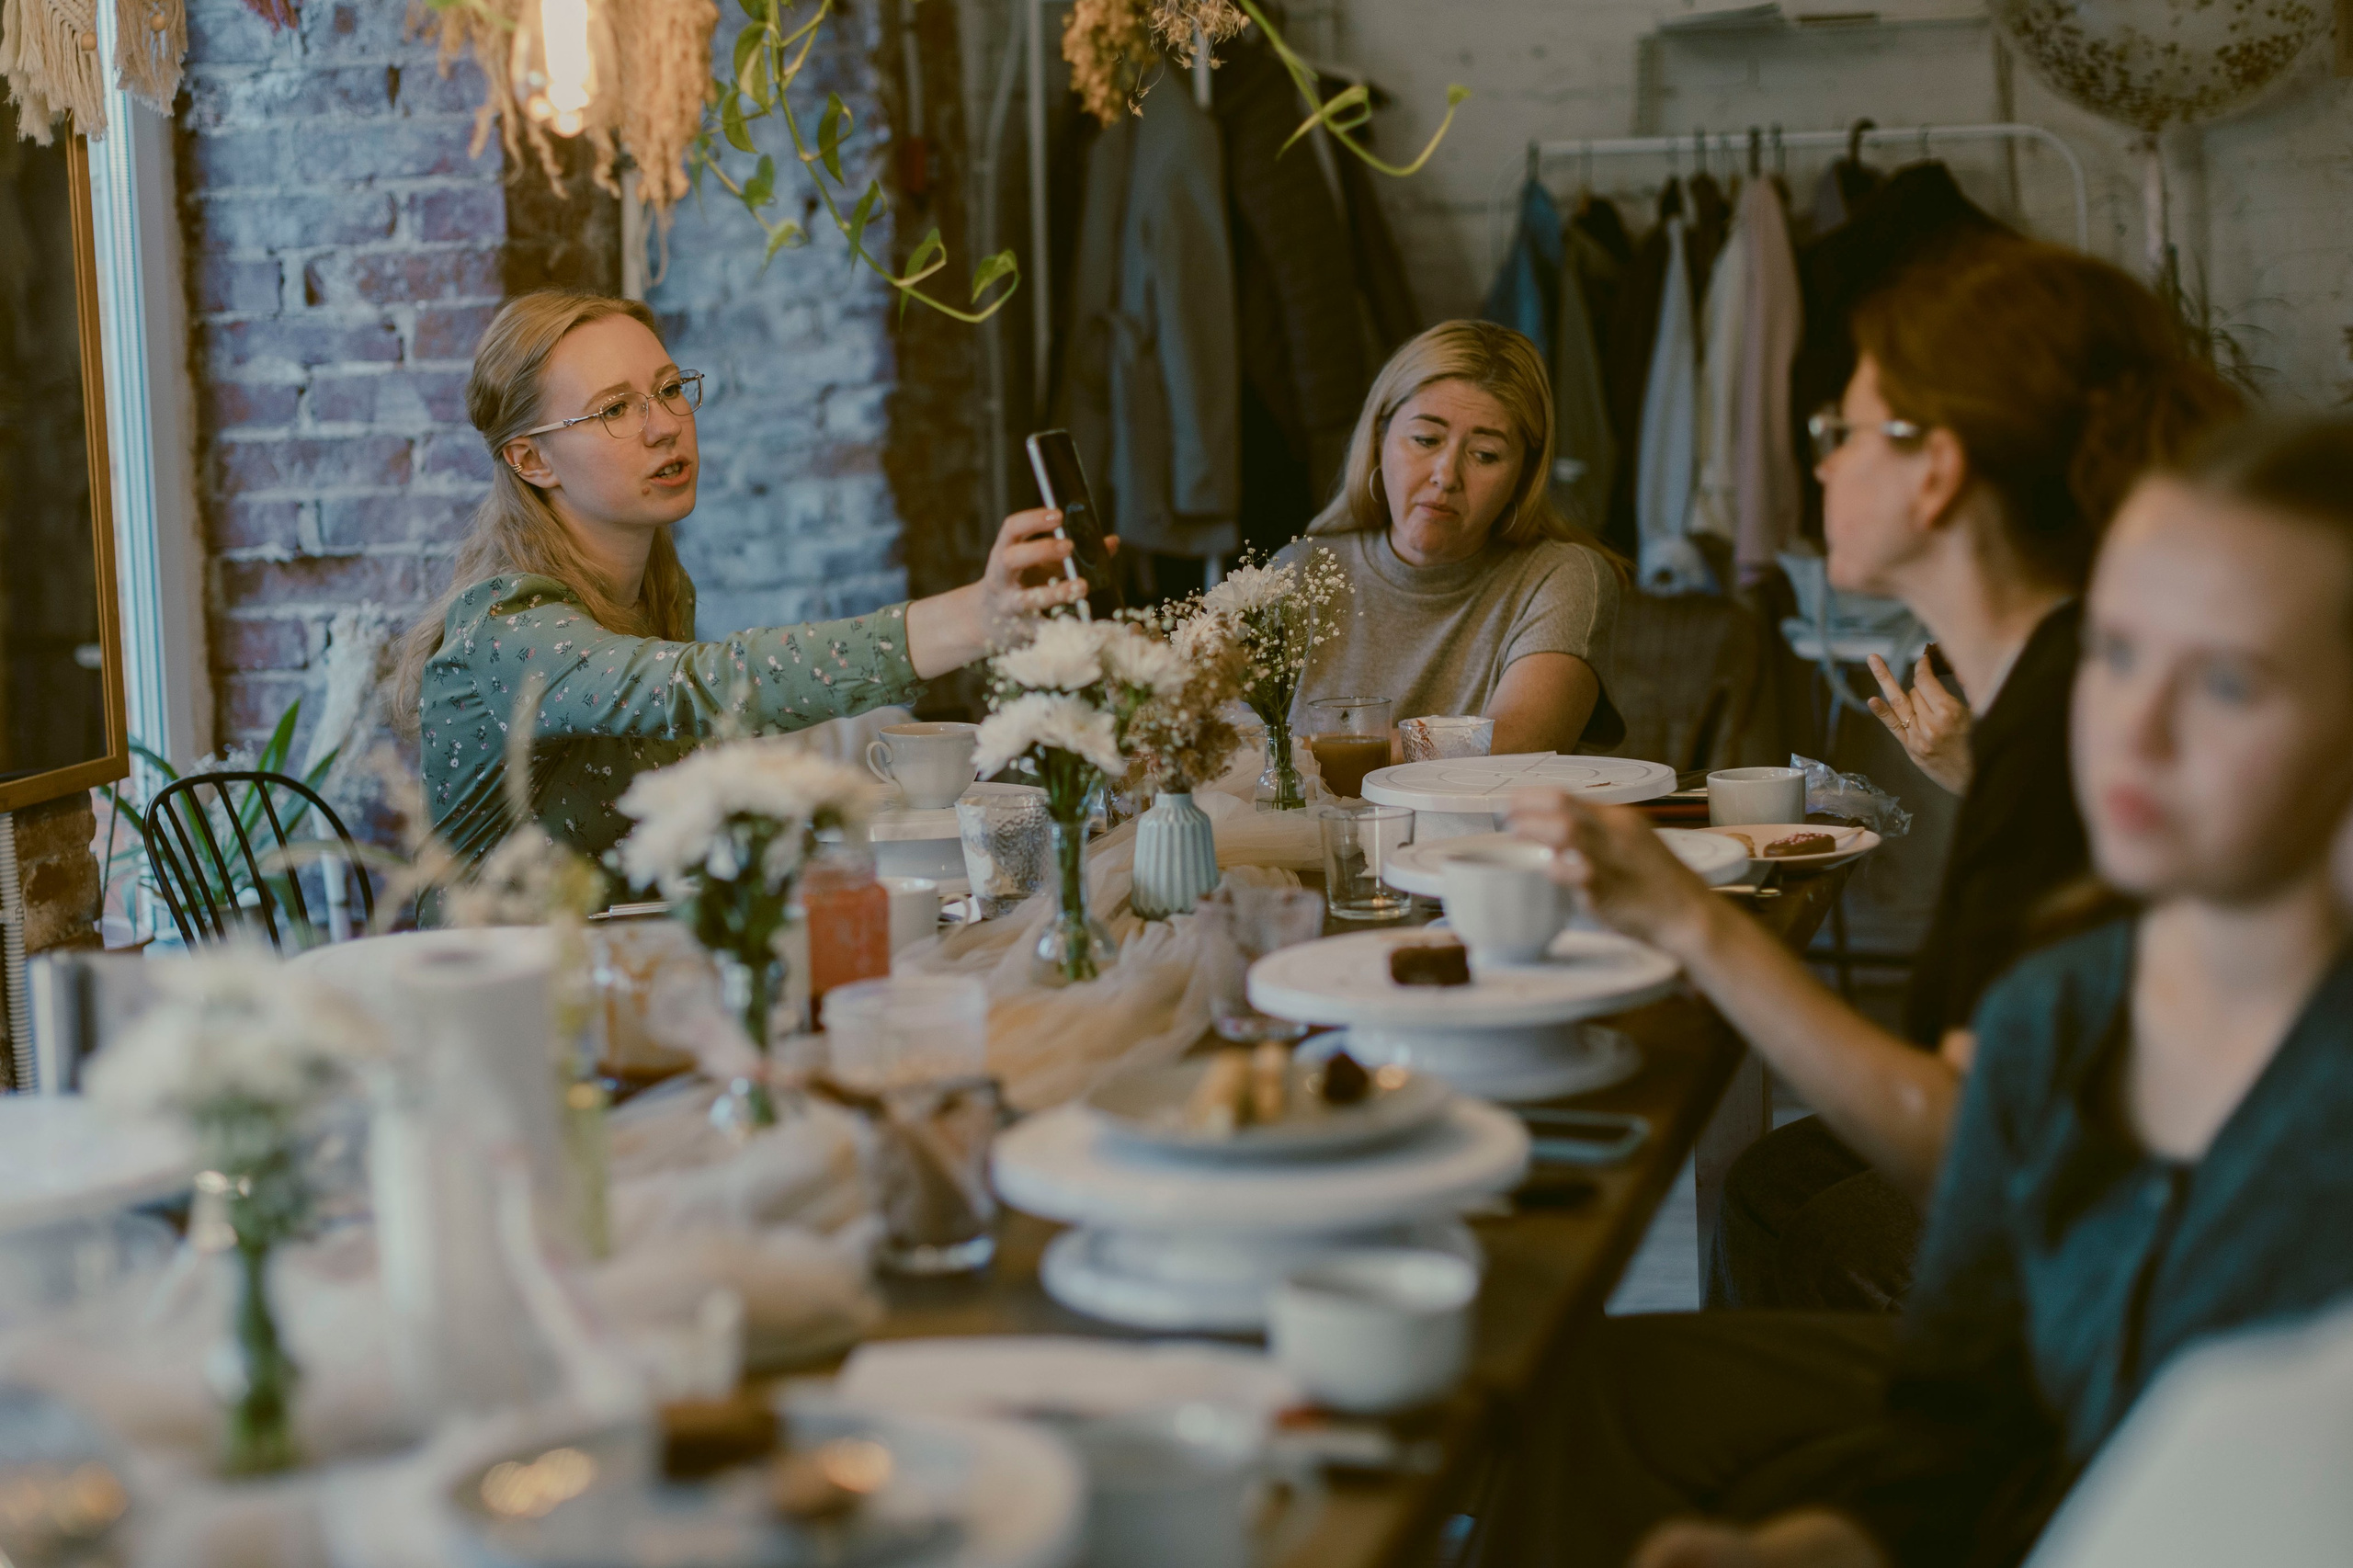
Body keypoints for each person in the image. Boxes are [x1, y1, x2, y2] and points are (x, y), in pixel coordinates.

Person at [1519, 415, 2353, 1568]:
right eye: (2114, 652)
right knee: (1582, 1394)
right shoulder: (2053, 1008)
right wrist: (1819, 1545)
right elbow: (1968, 1414)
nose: (2131, 729)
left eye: (2225, 679)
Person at [1526, 242, 2238, 1312]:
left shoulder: (2067, 715)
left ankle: (1869, 1464)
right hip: (2131, 1177)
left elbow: (1969, 1150)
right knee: (1772, 1184)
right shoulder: (2069, 672)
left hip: (2113, 1254)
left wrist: (1692, 922)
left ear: (1937, 471)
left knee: (1575, 1406)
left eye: (1838, 432)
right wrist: (1980, 765)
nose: (1814, 464)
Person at [391, 290, 1105, 869]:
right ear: (531, 461)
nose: (664, 426)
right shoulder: (505, 624)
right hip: (501, 997)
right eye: (614, 409)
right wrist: (970, 619)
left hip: (628, 952)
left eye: (670, 390)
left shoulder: (658, 589)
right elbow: (694, 688)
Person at [1278, 319, 1628, 755]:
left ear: (1523, 475)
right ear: (1378, 439)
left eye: (1485, 454)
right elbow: (1223, 746)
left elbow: (1516, 745)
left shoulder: (1563, 577)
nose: (1446, 477)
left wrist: (1303, 752)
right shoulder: (1300, 570)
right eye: (1426, 439)